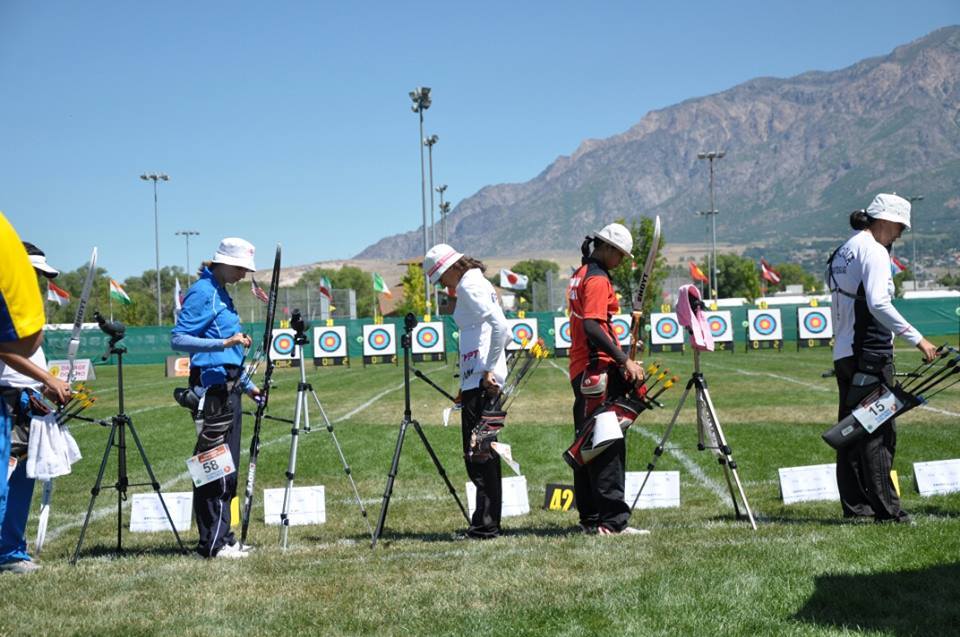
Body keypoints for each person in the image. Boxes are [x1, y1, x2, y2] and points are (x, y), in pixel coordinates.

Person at [826, 193, 937, 523]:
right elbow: (878, 302)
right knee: (878, 432)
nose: (900, 234)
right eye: (900, 227)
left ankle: (857, 507)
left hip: (845, 352)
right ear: (887, 220)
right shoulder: (873, 250)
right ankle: (888, 511)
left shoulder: (845, 249)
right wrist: (918, 339)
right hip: (869, 353)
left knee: (851, 431)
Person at [171, 238, 261, 558]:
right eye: (240, 268)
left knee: (228, 467)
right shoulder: (203, 292)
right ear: (223, 263)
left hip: (229, 386)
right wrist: (224, 343)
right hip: (213, 390)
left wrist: (248, 385)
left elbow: (229, 353)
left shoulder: (221, 292)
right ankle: (212, 543)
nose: (243, 274)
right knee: (214, 467)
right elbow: (178, 339)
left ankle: (223, 536)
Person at [424, 243, 509, 539]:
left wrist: (488, 370)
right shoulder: (475, 281)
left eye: (440, 279)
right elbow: (496, 332)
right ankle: (486, 523)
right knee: (483, 452)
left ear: (450, 268)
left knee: (479, 454)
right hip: (477, 380)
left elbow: (501, 328)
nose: (442, 286)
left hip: (483, 382)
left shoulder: (469, 286)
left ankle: (485, 526)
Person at [567, 223, 647, 536]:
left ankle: (590, 518)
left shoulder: (581, 273)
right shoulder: (598, 279)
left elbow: (596, 325)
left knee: (587, 442)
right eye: (621, 255)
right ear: (608, 248)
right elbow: (592, 326)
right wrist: (623, 359)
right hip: (596, 370)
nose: (621, 261)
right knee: (606, 444)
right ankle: (612, 522)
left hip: (584, 369)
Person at [0, 242, 73, 574]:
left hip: (26, 402)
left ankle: (11, 550)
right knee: (4, 479)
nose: (39, 284)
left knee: (21, 481)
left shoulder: (23, 311)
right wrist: (47, 378)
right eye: (33, 275)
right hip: (5, 401)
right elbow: (4, 349)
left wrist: (45, 386)